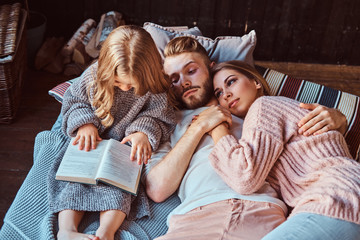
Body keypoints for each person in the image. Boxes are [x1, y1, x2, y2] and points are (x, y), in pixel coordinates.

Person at [143, 36, 348, 239]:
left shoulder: (251, 108)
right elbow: (157, 190)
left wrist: (339, 118)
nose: (184, 82)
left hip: (256, 209)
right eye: (174, 80)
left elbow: (305, 134)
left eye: (191, 71)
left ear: (211, 68)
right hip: (190, 217)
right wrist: (200, 127)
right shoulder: (167, 122)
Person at [201, 60, 360, 239]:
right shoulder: (271, 121)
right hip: (344, 194)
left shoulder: (263, 106)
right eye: (219, 93)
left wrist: (216, 125)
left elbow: (244, 176)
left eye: (231, 82)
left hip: (337, 196)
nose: (226, 94)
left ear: (256, 82)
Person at [48, 25, 176, 240]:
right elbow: (74, 101)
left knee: (121, 187)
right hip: (91, 142)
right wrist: (84, 124)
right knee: (73, 181)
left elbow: (160, 116)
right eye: (118, 82)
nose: (125, 88)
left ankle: (105, 232)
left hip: (122, 148)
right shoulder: (93, 76)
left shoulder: (155, 88)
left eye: (132, 85)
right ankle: (67, 231)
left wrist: (142, 133)